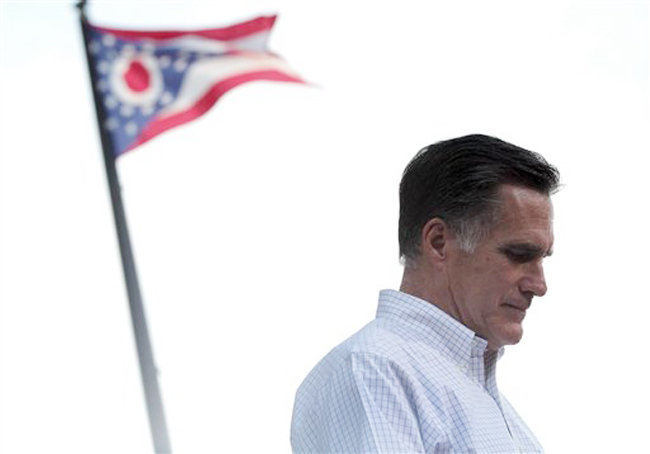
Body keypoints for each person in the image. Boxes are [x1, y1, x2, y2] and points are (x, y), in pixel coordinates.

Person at [290, 134, 560, 453]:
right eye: (518, 254)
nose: (539, 285)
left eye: (542, 259)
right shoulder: (375, 369)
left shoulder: (492, 407)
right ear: (438, 242)